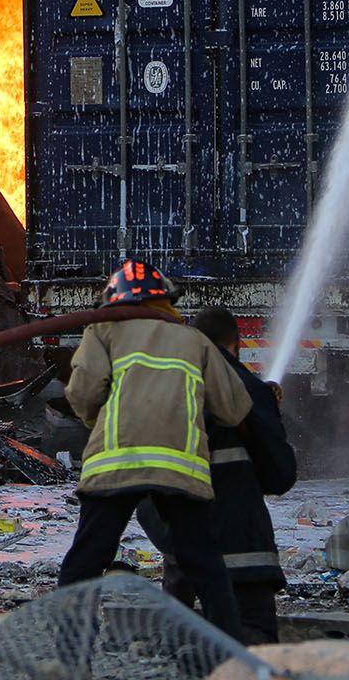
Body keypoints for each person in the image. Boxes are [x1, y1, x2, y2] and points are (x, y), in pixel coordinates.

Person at [58, 260, 251, 641]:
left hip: (116, 460)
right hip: (180, 467)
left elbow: (83, 392)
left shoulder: (102, 331)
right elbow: (234, 408)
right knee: (204, 562)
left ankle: (69, 656)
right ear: (166, 300)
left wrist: (99, 421)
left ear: (114, 301)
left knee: (86, 561)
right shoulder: (194, 340)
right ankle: (229, 653)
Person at [141, 305, 298, 643]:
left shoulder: (164, 389)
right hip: (243, 552)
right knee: (252, 642)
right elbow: (280, 476)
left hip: (182, 549)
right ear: (236, 345)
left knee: (179, 644)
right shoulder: (249, 390)